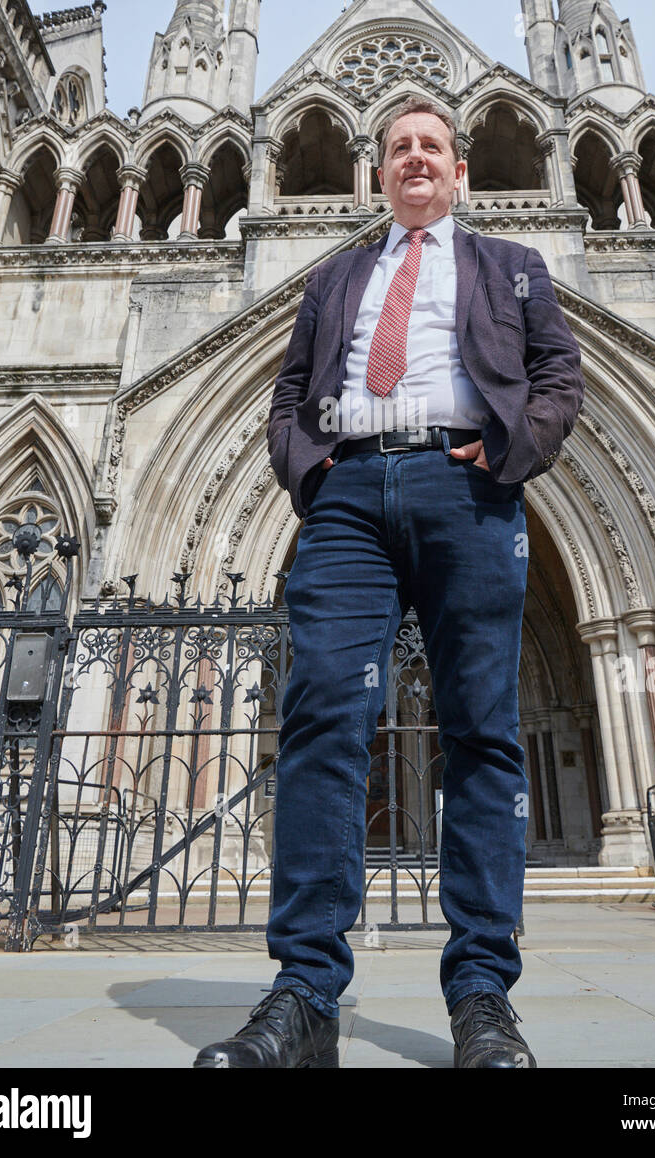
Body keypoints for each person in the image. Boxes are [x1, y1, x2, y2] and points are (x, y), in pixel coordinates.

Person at [194, 95, 584, 1068]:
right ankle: (304, 993)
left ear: (459, 173)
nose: (414, 158)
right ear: (377, 173)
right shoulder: (331, 279)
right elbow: (287, 392)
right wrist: (307, 469)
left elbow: (558, 377)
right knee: (322, 714)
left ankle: (482, 996)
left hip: (465, 490)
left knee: (483, 730)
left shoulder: (514, 267)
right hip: (349, 494)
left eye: (430, 146)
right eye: (397, 147)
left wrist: (503, 457)